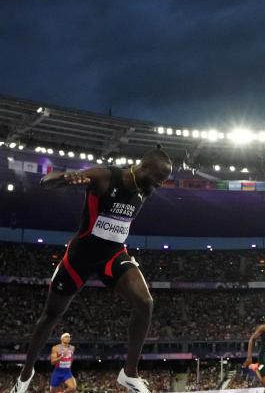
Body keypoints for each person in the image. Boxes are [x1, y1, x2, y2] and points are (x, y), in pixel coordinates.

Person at [11, 146, 173, 393]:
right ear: (144, 167)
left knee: (145, 303)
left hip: (114, 255)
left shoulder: (146, 188)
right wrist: (67, 179)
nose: (160, 185)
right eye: (159, 178)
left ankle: (129, 373)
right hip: (80, 257)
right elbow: (47, 181)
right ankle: (25, 374)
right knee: (51, 315)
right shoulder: (106, 176)